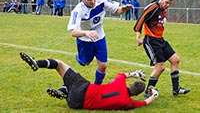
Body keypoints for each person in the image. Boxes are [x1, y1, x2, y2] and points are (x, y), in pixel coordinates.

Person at [19, 52, 158, 110]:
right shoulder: (128, 103)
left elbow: (121, 74)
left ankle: (37, 63)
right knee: (69, 84)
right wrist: (154, 94)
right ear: (135, 94)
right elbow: (145, 103)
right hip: (76, 104)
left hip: (83, 88)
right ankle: (63, 92)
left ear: (131, 84)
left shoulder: (120, 82)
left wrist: (134, 74)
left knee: (59, 64)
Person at [67, 0, 133, 85]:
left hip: (100, 38)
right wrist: (86, 32)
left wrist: (124, 9)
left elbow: (118, 10)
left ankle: (97, 87)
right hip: (85, 41)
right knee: (85, 62)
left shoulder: (102, 0)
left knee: (103, 66)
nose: (93, 1)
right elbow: (73, 32)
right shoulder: (78, 10)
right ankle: (79, 57)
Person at [133, 0, 190, 97]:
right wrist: (138, 37)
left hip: (160, 39)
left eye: (170, 4)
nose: (168, 5)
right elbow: (141, 19)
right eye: (166, 2)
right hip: (151, 41)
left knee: (175, 60)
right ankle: (148, 91)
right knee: (160, 67)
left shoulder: (162, 8)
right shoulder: (154, 7)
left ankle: (176, 89)